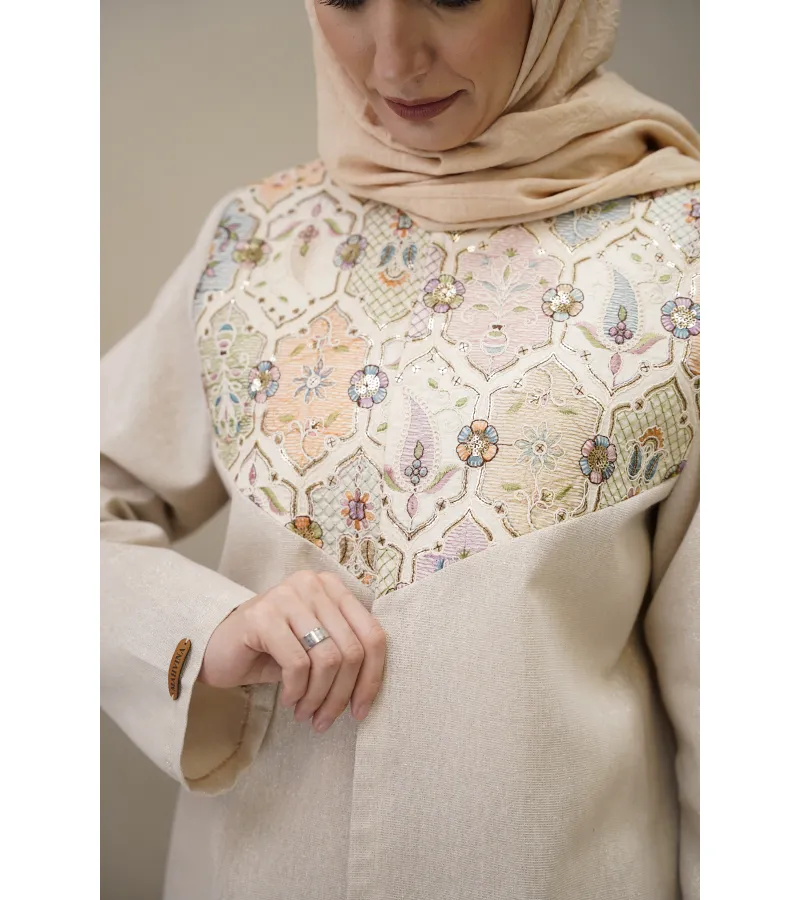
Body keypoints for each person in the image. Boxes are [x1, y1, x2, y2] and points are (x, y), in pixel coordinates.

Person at [100, 1, 700, 898]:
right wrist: (199, 626)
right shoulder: (257, 244)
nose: (392, 62)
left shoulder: (694, 260)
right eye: (347, 0)